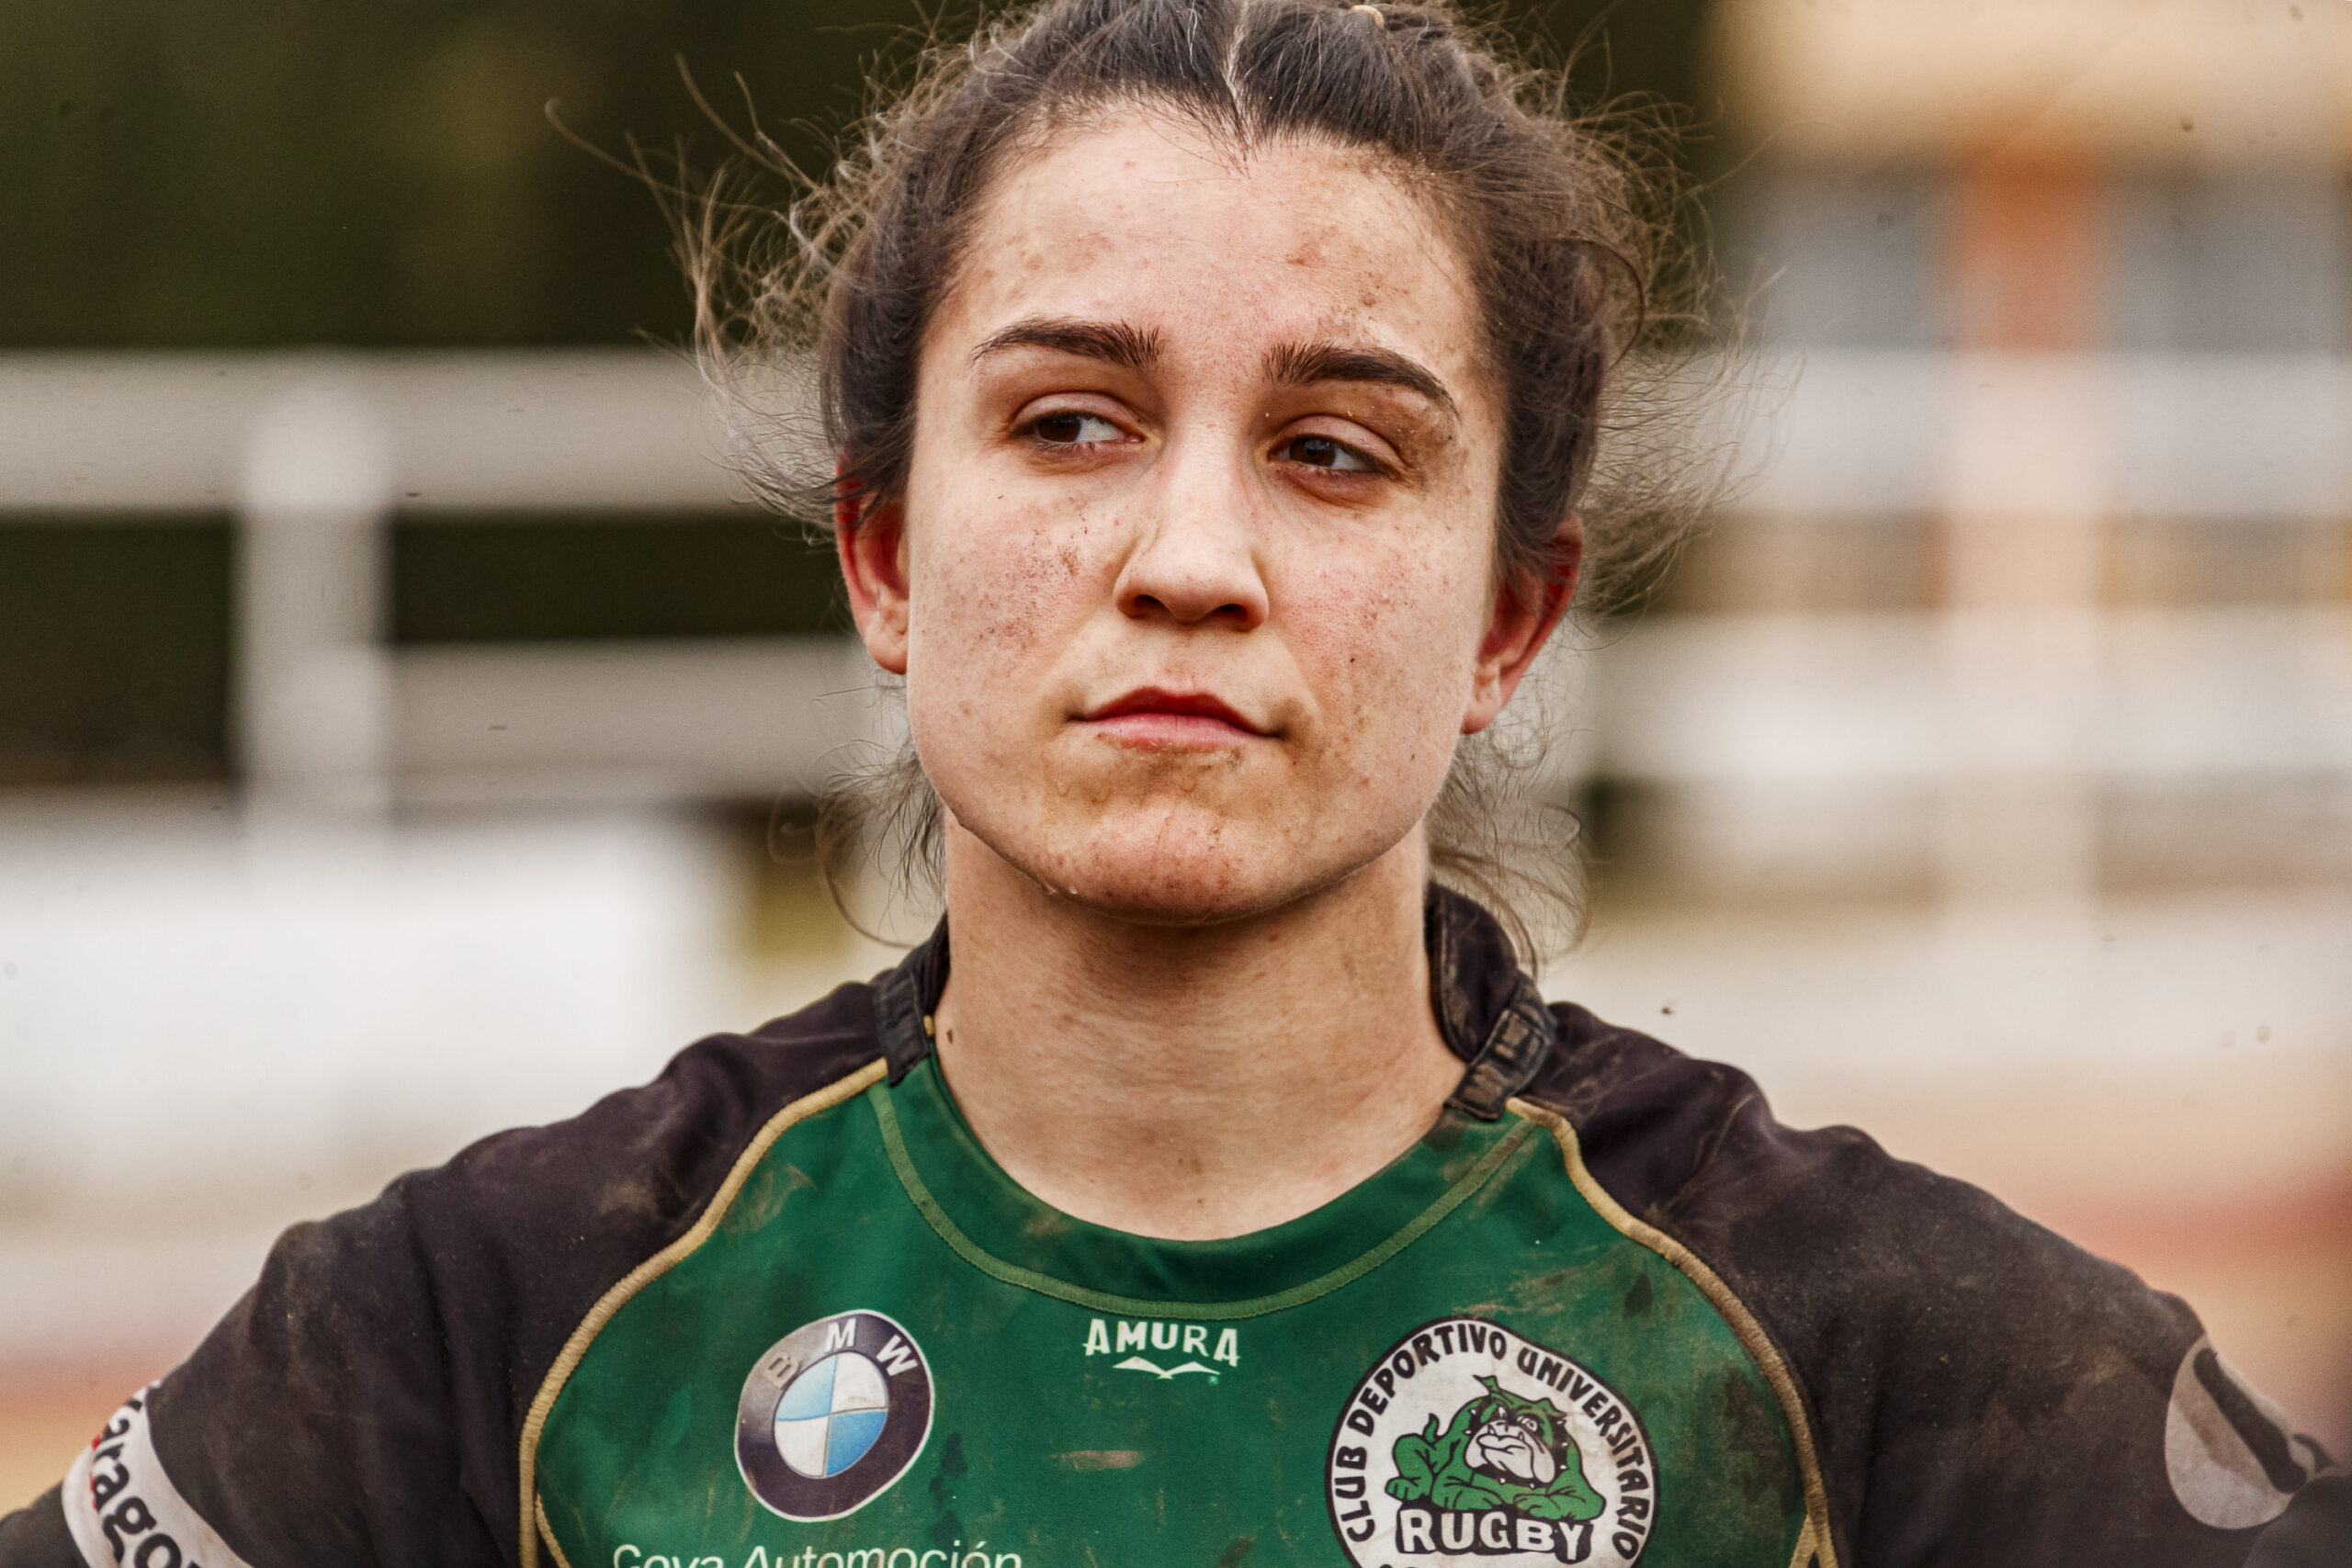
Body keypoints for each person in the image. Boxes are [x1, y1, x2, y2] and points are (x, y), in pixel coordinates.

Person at [3, 1, 2341, 1564]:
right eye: (1069, 422)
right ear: (885, 550)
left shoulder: (1904, 1358)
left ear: (1508, 618)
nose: (1191, 557)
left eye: (1333, 451)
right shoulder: (479, 1322)